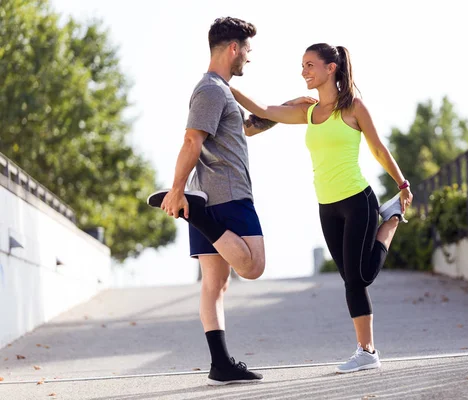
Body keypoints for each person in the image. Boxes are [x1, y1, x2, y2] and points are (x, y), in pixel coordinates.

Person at [147, 17, 313, 386]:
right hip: (226, 196)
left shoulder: (220, 92)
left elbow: (247, 128)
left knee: (215, 285)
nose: (249, 59)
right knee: (253, 267)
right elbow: (192, 140)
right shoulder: (211, 90)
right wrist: (176, 191)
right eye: (248, 51)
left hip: (211, 196)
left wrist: (286, 107)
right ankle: (199, 216)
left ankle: (219, 364)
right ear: (234, 49)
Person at [230, 43, 413, 373]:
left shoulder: (354, 108)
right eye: (302, 66)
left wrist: (402, 184)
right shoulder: (309, 112)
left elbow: (379, 149)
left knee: (354, 282)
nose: (304, 72)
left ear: (331, 68)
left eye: (310, 65)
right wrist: (225, 84)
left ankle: (367, 351)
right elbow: (265, 109)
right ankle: (391, 222)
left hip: (357, 200)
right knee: (358, 275)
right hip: (326, 206)